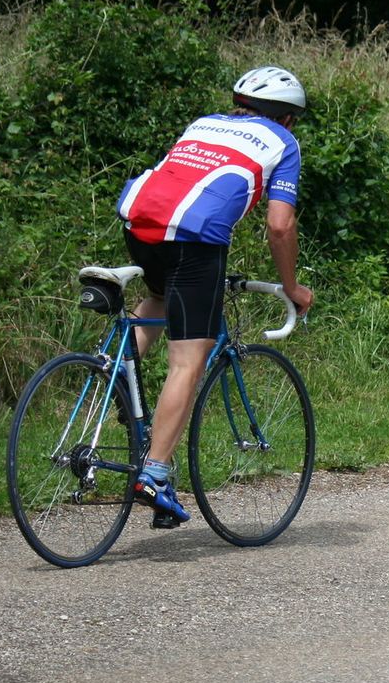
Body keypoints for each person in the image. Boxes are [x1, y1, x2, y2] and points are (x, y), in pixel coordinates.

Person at [117, 65, 316, 527]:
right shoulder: (283, 141)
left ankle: (113, 376)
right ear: (288, 117)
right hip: (196, 239)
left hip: (138, 221)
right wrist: (291, 287)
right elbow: (280, 224)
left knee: (160, 296)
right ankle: (155, 474)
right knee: (188, 361)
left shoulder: (204, 123)